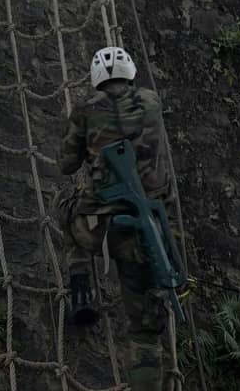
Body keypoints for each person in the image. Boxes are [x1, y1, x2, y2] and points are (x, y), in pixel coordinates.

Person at [57, 46, 182, 391]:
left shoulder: (86, 108)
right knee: (145, 332)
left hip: (100, 226)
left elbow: (66, 163)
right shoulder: (152, 102)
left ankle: (81, 287)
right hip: (148, 231)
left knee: (66, 206)